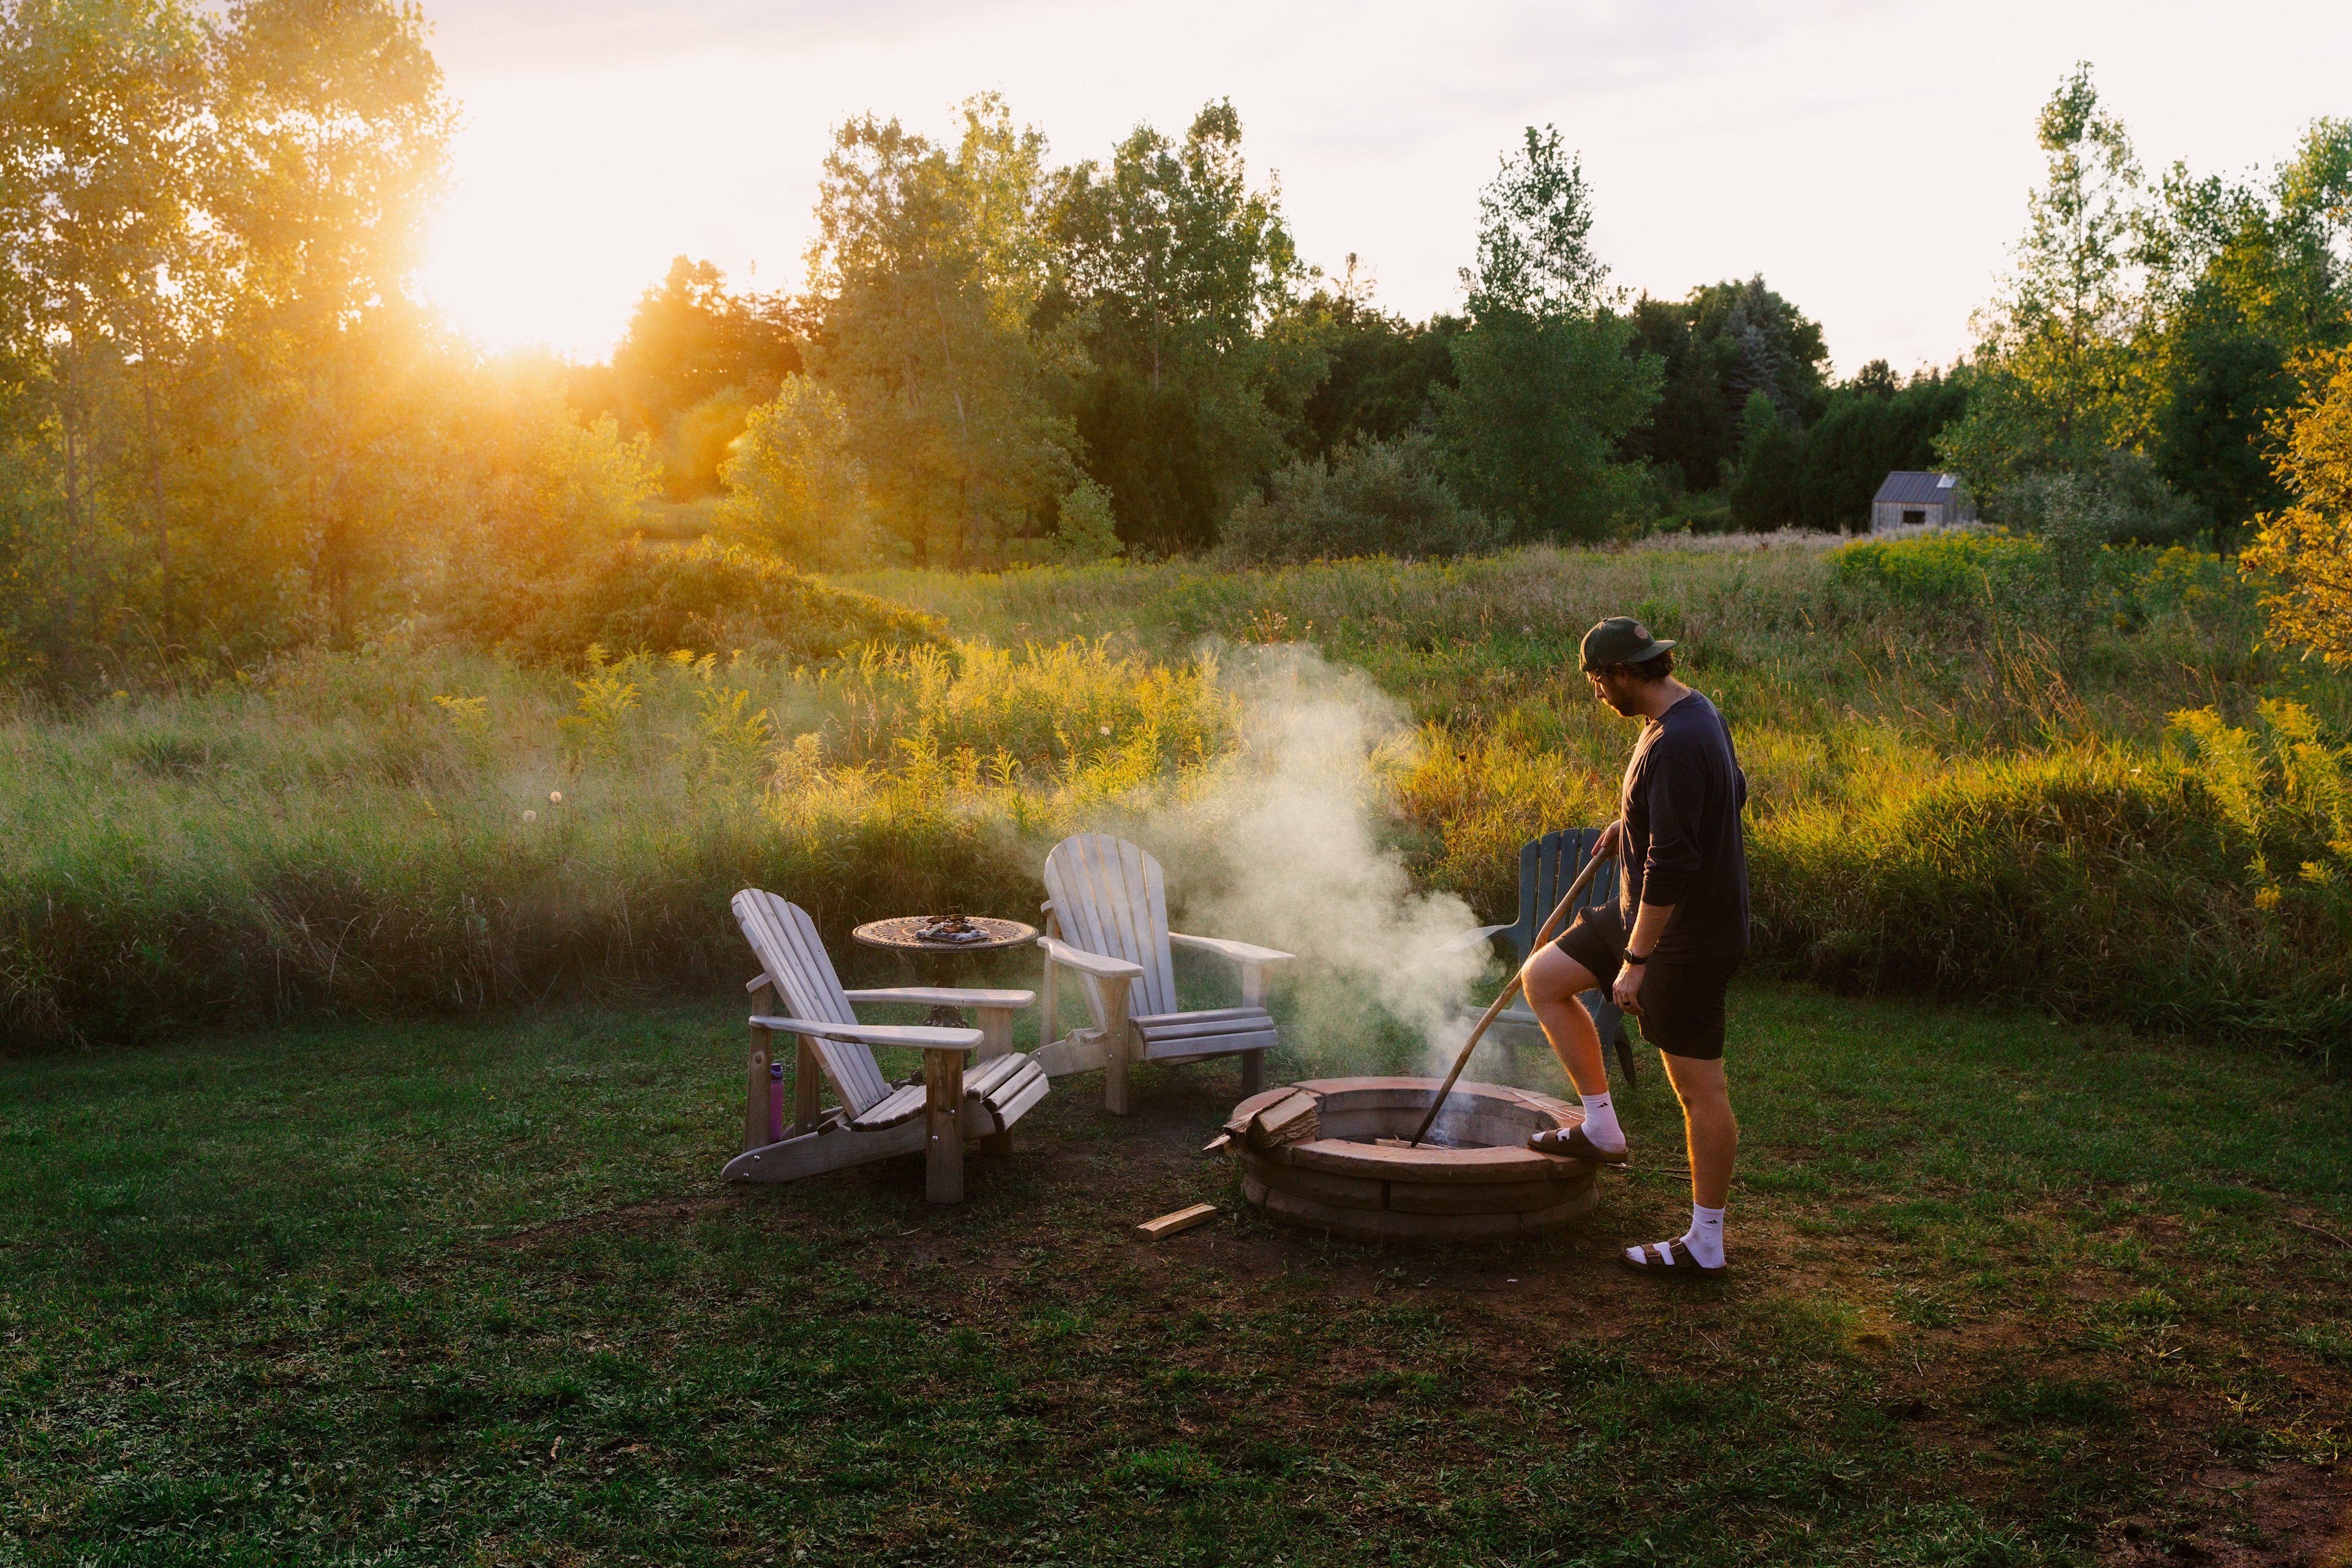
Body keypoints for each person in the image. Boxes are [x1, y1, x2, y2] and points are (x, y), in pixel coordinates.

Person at [1520, 616, 1749, 1277]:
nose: (1597, 694)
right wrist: (1637, 817)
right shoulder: (1691, 711)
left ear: (1625, 673)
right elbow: (1730, 791)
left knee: (1698, 1088)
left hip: (1683, 937)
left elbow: (1673, 866)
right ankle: (1600, 1126)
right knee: (1545, 977)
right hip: (1639, 914)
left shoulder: (1676, 742)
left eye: (1598, 681)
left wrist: (1637, 962)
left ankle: (1706, 1242)